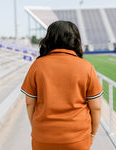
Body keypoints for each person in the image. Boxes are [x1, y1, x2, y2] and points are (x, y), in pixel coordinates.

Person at [20, 20, 103, 150]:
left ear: (49, 39)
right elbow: (96, 107)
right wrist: (93, 134)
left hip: (43, 137)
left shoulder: (37, 66)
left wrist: (36, 127)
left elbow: (30, 103)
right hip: (77, 139)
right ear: (76, 40)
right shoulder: (87, 67)